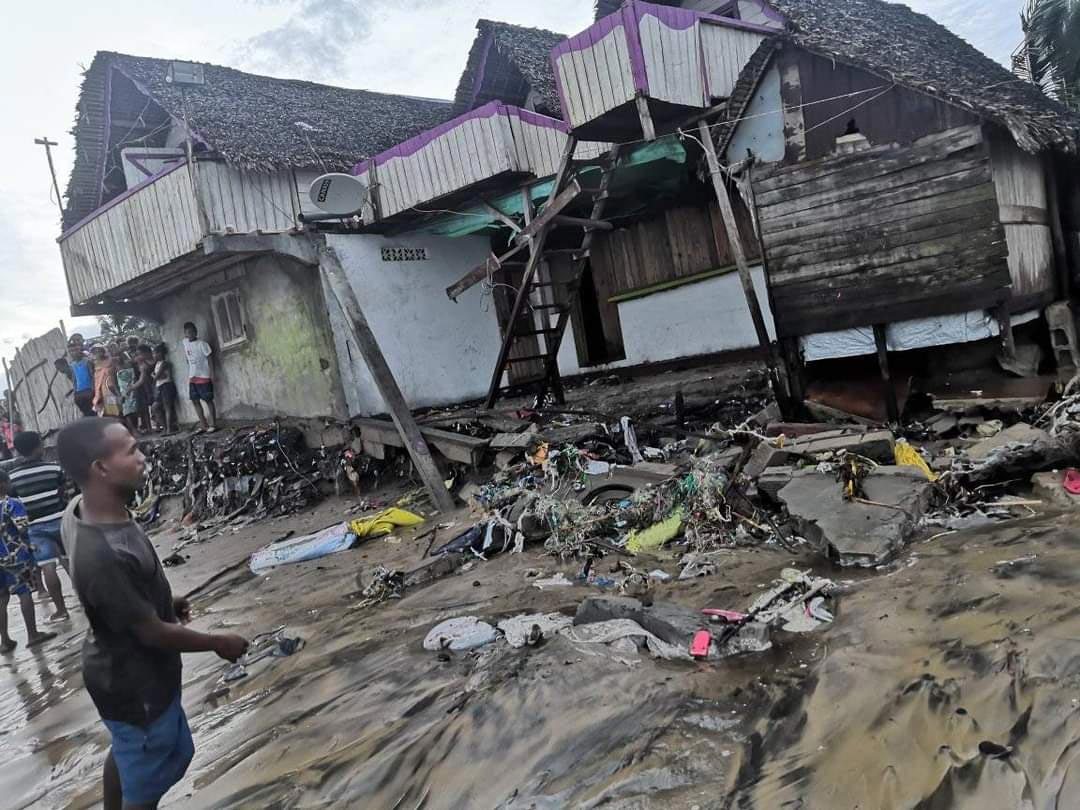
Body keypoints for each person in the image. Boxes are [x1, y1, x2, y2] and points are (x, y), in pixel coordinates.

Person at [57, 418, 248, 810]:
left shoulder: (80, 508)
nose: (143, 457)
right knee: (154, 768)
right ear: (101, 468)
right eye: (131, 450)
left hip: (119, 671)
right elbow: (151, 633)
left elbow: (127, 601)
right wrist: (217, 642)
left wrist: (161, 600)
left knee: (130, 749)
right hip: (134, 683)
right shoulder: (102, 555)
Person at [9, 431, 69, 621]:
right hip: (61, 520)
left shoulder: (12, 478)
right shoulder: (54, 469)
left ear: (18, 451)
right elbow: (65, 492)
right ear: (38, 448)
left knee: (47, 567)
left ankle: (61, 610)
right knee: (71, 561)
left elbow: (16, 505)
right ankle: (90, 602)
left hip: (35, 527)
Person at [0, 470, 56, 653]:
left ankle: (5, 640)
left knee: (2, 598)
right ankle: (33, 634)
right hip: (16, 555)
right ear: (3, 484)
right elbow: (22, 527)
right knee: (24, 593)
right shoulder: (11, 504)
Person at [181, 322, 216, 433]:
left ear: (196, 332)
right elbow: (187, 355)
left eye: (192, 331)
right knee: (195, 400)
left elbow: (210, 358)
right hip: (193, 376)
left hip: (204, 376)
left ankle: (213, 424)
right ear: (185, 334)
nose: (190, 334)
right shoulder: (185, 342)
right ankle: (203, 424)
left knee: (208, 400)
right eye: (187, 332)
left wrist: (212, 374)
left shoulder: (202, 344)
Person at [152, 344, 177, 435]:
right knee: (155, 407)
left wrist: (154, 376)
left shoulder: (164, 363)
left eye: (155, 353)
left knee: (167, 407)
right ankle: (165, 427)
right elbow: (160, 376)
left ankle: (169, 429)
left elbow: (157, 376)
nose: (154, 355)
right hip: (160, 387)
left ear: (160, 353)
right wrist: (156, 377)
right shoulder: (157, 364)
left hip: (166, 386)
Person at [68, 341, 96, 417]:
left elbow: (92, 375)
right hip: (79, 392)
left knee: (94, 412)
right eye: (71, 351)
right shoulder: (72, 364)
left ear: (79, 350)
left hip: (89, 390)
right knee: (86, 413)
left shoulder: (87, 361)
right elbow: (74, 379)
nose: (73, 353)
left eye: (75, 350)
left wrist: (93, 390)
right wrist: (75, 391)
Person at [92, 345, 121, 418]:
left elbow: (116, 371)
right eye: (95, 352)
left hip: (111, 385)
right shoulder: (96, 364)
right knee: (107, 408)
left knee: (115, 407)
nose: (97, 353)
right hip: (102, 388)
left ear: (103, 351)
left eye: (99, 351)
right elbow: (96, 377)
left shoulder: (111, 360)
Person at [116, 351, 139, 435]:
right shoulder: (116, 367)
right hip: (124, 391)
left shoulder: (129, 365)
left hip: (131, 389)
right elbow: (115, 382)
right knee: (127, 412)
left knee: (134, 410)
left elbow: (133, 378)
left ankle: (135, 429)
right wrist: (119, 394)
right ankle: (133, 430)